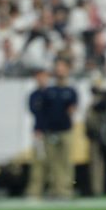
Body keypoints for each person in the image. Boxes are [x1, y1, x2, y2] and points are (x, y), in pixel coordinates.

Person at [42, 59, 78, 198]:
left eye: (62, 68)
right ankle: (54, 190)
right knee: (52, 161)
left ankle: (66, 190)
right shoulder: (49, 91)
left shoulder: (70, 90)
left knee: (66, 161)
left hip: (66, 130)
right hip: (51, 130)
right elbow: (43, 111)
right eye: (58, 68)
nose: (60, 71)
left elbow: (73, 108)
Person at [25, 68, 50, 198]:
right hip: (39, 131)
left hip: (52, 131)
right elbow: (35, 112)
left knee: (54, 162)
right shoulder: (34, 95)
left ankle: (56, 189)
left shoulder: (52, 92)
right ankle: (35, 190)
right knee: (38, 162)